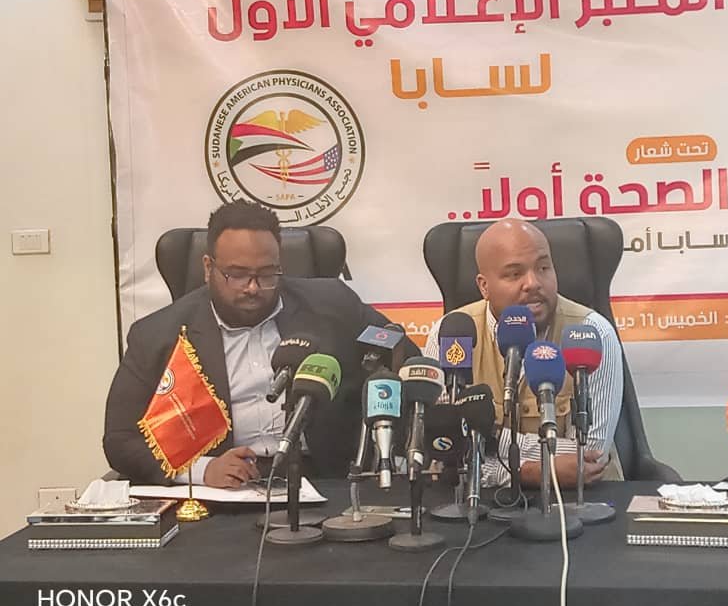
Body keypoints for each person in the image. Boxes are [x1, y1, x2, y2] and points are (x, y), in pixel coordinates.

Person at [103, 200, 417, 488]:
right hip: (221, 492)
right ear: (208, 268)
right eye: (237, 275)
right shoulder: (158, 335)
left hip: (328, 484)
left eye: (267, 274)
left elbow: (404, 361)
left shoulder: (334, 305)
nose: (253, 288)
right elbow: (120, 439)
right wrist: (200, 470)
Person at [424, 219, 624, 489]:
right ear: (484, 286)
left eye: (543, 268)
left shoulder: (591, 333)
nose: (533, 283)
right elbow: (446, 450)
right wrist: (528, 472)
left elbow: (587, 455)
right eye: (514, 274)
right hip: (476, 501)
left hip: (578, 500)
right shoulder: (450, 335)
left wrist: (487, 439)